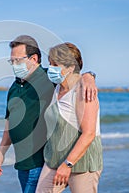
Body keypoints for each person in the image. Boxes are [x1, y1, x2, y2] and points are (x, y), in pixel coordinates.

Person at [0, 35, 97, 193]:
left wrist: (89, 77)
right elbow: (10, 122)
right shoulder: (14, 87)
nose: (14, 65)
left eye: (17, 60)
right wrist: (1, 151)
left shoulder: (50, 77)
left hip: (41, 161)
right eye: (11, 61)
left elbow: (73, 75)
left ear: (33, 58)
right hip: (22, 163)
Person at [36, 42, 103, 193]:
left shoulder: (83, 90)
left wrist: (67, 164)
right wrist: (89, 75)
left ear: (71, 67)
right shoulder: (57, 86)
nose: (51, 68)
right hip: (54, 158)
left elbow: (89, 133)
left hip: (82, 163)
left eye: (55, 64)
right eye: (50, 63)